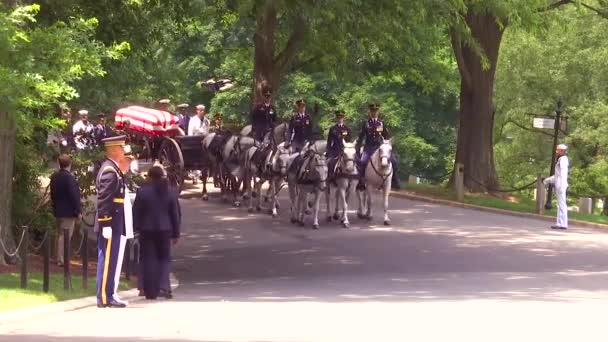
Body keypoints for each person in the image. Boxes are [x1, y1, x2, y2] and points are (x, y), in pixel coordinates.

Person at [95, 135, 135, 308]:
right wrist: (105, 223)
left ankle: (109, 293)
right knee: (107, 261)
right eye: (121, 147)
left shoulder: (113, 169)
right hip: (110, 223)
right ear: (114, 149)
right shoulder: (110, 171)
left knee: (111, 260)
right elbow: (104, 200)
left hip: (115, 222)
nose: (123, 150)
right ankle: (105, 297)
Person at [133, 166, 181, 300]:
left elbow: (136, 212)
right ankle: (163, 286)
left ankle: (146, 288)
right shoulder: (170, 192)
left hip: (146, 229)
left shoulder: (142, 192)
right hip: (165, 229)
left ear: (149, 176)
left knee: (147, 259)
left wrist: (136, 228)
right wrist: (176, 233)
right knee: (164, 259)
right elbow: (175, 214)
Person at [355, 103, 400, 190]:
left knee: (394, 161)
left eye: (376, 111)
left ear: (378, 112)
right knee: (362, 162)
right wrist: (358, 148)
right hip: (369, 148)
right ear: (370, 112)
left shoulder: (382, 123)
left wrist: (388, 145)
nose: (374, 113)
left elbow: (386, 136)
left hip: (380, 149)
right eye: (372, 111)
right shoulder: (366, 123)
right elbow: (361, 137)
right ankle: (361, 181)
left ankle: (394, 180)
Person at [50, 154, 82, 267]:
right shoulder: (69, 178)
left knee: (59, 234)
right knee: (65, 235)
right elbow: (74, 196)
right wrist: (78, 211)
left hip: (58, 210)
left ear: (59, 163)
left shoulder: (54, 177)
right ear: (70, 164)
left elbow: (52, 194)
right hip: (68, 212)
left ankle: (56, 257)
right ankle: (61, 259)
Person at [544, 144, 569, 229]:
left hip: (561, 185)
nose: (556, 151)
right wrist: (547, 180)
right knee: (560, 204)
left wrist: (561, 185)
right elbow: (557, 175)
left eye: (558, 150)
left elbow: (562, 174)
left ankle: (563, 224)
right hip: (560, 184)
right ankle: (559, 223)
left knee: (562, 204)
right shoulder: (560, 159)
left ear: (562, 151)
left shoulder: (563, 160)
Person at [326, 110, 352, 177]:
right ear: (336, 118)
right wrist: (328, 151)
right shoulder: (333, 129)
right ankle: (330, 177)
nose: (340, 119)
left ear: (343, 118)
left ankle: (358, 179)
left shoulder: (347, 129)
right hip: (335, 150)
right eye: (338, 117)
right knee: (330, 162)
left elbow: (349, 141)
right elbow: (329, 141)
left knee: (354, 161)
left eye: (341, 117)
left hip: (345, 150)